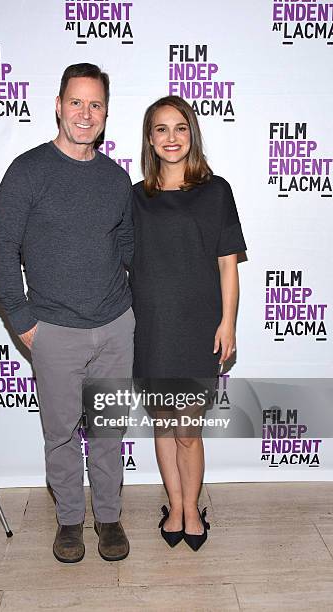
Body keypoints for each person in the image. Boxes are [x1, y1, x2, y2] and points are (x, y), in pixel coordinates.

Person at [0, 63, 135, 563]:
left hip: (116, 326)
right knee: (60, 436)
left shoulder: (117, 179)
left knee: (109, 430)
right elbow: (3, 251)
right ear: (58, 104)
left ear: (105, 113)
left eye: (95, 104)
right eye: (76, 102)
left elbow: (129, 249)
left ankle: (109, 519)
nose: (85, 113)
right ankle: (70, 522)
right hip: (53, 331)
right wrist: (24, 322)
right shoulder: (27, 171)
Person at [130, 95, 247, 551]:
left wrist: (228, 323)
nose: (171, 138)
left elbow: (227, 264)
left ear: (191, 134)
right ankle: (175, 508)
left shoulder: (216, 191)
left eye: (180, 128)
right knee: (163, 424)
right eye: (161, 129)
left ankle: (193, 508)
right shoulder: (136, 198)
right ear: (150, 138)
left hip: (199, 326)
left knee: (188, 430)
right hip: (152, 328)